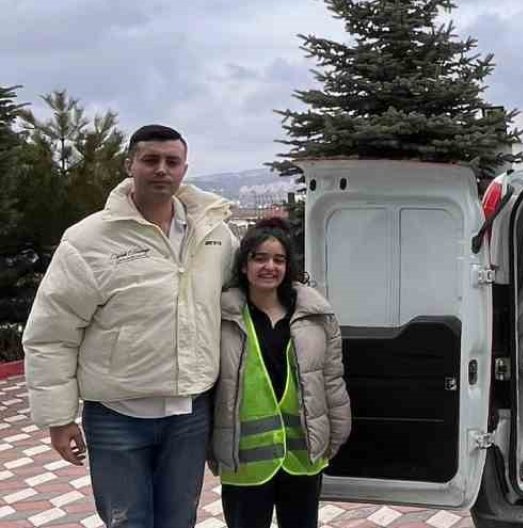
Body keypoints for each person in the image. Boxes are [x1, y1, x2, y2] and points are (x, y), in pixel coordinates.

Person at [23, 125, 238, 528]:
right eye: (150, 160)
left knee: (179, 521)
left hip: (190, 416)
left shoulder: (214, 235)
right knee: (128, 522)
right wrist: (59, 418)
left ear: (184, 168)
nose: (162, 169)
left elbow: (241, 300)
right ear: (129, 166)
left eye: (172, 161)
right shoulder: (89, 240)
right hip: (116, 418)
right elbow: (52, 335)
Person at [211, 217, 350, 528]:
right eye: (259, 258)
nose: (269, 266)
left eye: (278, 259)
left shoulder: (316, 316)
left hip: (302, 456)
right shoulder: (222, 317)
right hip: (245, 463)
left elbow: (331, 378)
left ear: (288, 266)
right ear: (244, 265)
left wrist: (336, 434)